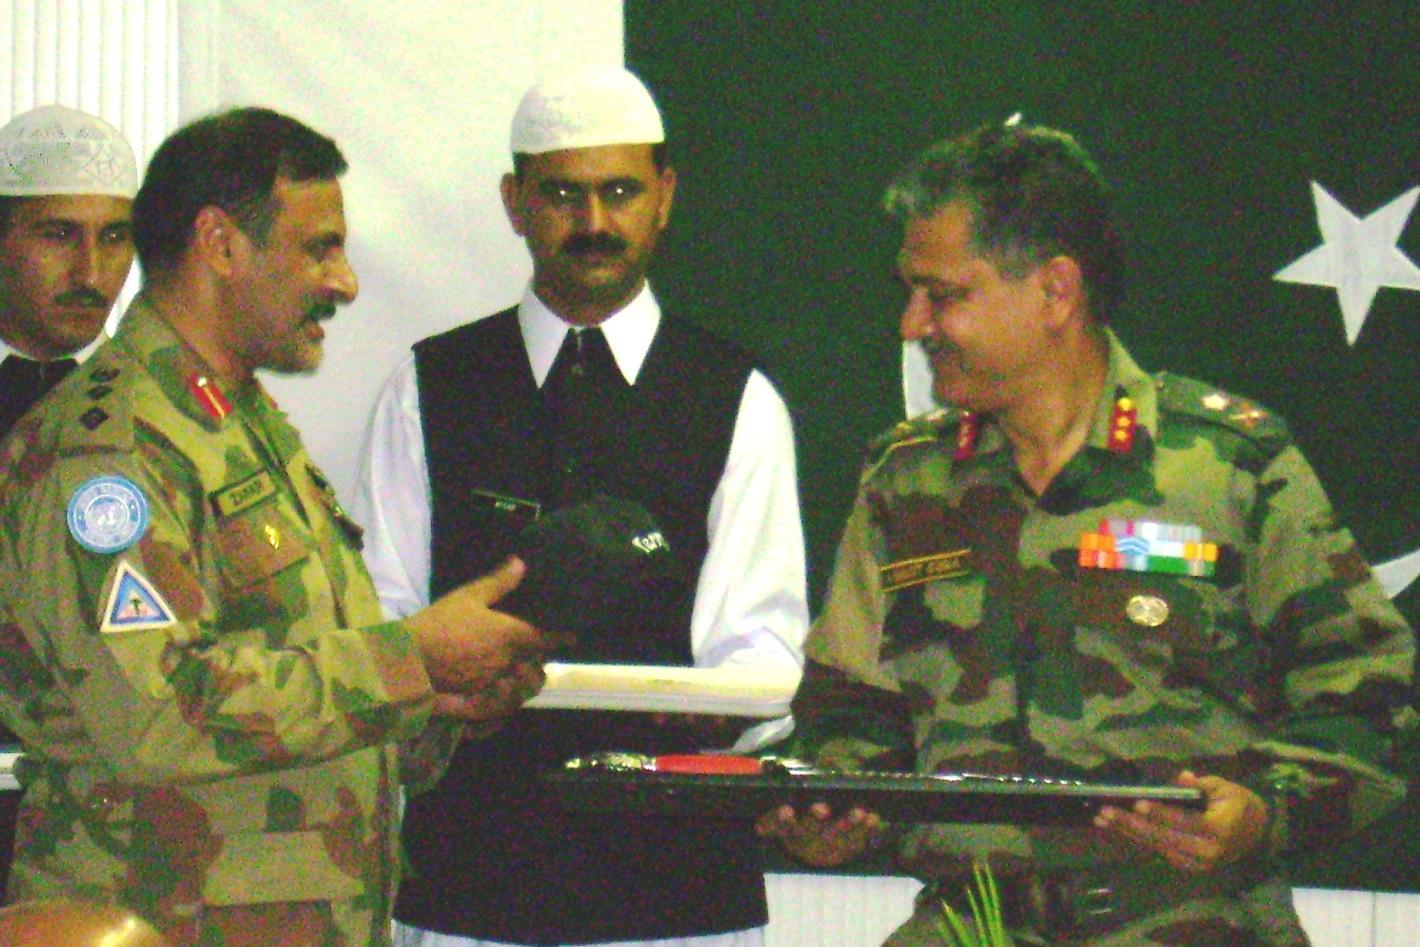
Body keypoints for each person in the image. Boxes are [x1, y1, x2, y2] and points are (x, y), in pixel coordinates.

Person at [757, 122, 1417, 945]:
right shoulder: (906, 480)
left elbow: (1370, 692)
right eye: (912, 292)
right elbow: (850, 705)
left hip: (1191, 919)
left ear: (1056, 291)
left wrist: (1262, 814)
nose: (911, 323)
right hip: (974, 921)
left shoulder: (1227, 465)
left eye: (943, 295)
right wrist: (835, 805)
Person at [0, 107, 563, 947]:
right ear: (221, 244)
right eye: (318, 249)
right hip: (161, 923)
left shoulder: (238, 425)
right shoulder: (109, 451)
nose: (345, 283)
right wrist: (410, 658)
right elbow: (159, 714)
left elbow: (294, 667)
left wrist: (438, 701)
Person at [353, 66, 809, 946]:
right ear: (515, 202)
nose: (594, 220)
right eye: (563, 193)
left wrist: (718, 708)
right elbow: (384, 623)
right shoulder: (429, 386)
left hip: (678, 896)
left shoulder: (737, 398)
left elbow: (760, 652)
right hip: (467, 885)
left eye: (620, 191)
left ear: (664, 196)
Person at [0, 104, 139, 900]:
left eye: (115, 237)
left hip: (101, 825)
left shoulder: (163, 409)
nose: (92, 268)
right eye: (58, 234)